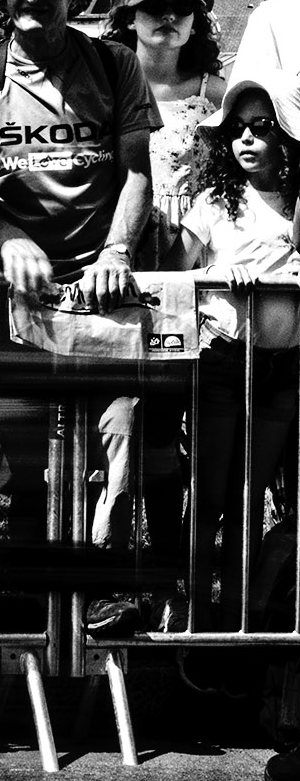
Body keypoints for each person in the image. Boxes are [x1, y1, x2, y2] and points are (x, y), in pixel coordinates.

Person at [0, 0, 160, 634]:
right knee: (26, 450)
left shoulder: (114, 63)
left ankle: (108, 584)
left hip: (100, 289)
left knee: (122, 431)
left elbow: (137, 172)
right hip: (16, 299)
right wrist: (5, 236)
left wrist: (116, 252)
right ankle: (35, 609)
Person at [161, 71, 300, 635]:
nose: (245, 139)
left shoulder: (295, 203)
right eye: (236, 130)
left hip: (284, 368)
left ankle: (238, 621)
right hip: (224, 362)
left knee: (249, 498)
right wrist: (217, 273)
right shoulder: (217, 203)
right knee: (212, 494)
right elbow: (173, 274)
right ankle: (192, 616)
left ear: (287, 136)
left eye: (261, 128)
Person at [101, 0, 225, 261]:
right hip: (117, 235)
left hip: (194, 241)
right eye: (155, 5)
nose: (170, 15)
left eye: (183, 7)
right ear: (131, 19)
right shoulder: (104, 88)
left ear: (195, 23)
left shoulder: (216, 93)